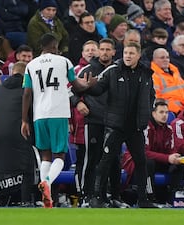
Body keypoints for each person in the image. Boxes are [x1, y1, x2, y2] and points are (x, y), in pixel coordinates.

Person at [21, 33, 90, 208]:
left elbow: (27, 93)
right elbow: (77, 86)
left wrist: (24, 120)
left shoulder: (31, 65)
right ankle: (48, 182)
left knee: (45, 155)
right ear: (54, 46)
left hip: (39, 115)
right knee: (59, 154)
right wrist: (89, 84)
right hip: (58, 112)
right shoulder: (64, 61)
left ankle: (46, 191)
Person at [85, 42, 156, 208]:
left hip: (136, 127)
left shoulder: (146, 73)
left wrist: (146, 112)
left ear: (138, 56)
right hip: (116, 126)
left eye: (132, 53)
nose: (128, 56)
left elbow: (151, 95)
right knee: (105, 161)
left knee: (141, 162)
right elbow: (99, 89)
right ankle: (96, 197)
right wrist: (89, 86)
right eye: (126, 53)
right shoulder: (113, 71)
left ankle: (143, 199)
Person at [72, 38, 118, 207]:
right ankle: (85, 195)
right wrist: (78, 102)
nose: (104, 52)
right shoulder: (88, 69)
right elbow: (71, 90)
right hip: (93, 120)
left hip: (113, 122)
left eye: (108, 49)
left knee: (110, 160)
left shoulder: (118, 70)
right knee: (90, 159)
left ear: (113, 52)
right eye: (102, 49)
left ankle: (105, 196)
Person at [0, 61, 35, 206]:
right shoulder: (28, 90)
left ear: (12, 72)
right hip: (20, 134)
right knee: (27, 167)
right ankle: (26, 201)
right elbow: (31, 113)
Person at [144, 100, 184, 203]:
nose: (165, 115)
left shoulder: (168, 129)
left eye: (167, 112)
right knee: (148, 163)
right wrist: (168, 158)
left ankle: (173, 198)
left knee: (181, 164)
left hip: (160, 161)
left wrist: (175, 157)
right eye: (161, 112)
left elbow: (171, 150)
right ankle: (150, 197)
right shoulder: (146, 128)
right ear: (153, 113)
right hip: (142, 162)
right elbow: (144, 152)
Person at [151, 48, 184, 115]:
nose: (165, 60)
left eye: (167, 57)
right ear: (154, 60)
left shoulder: (175, 72)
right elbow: (157, 98)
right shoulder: (153, 76)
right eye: (162, 58)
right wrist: (178, 110)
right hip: (170, 112)